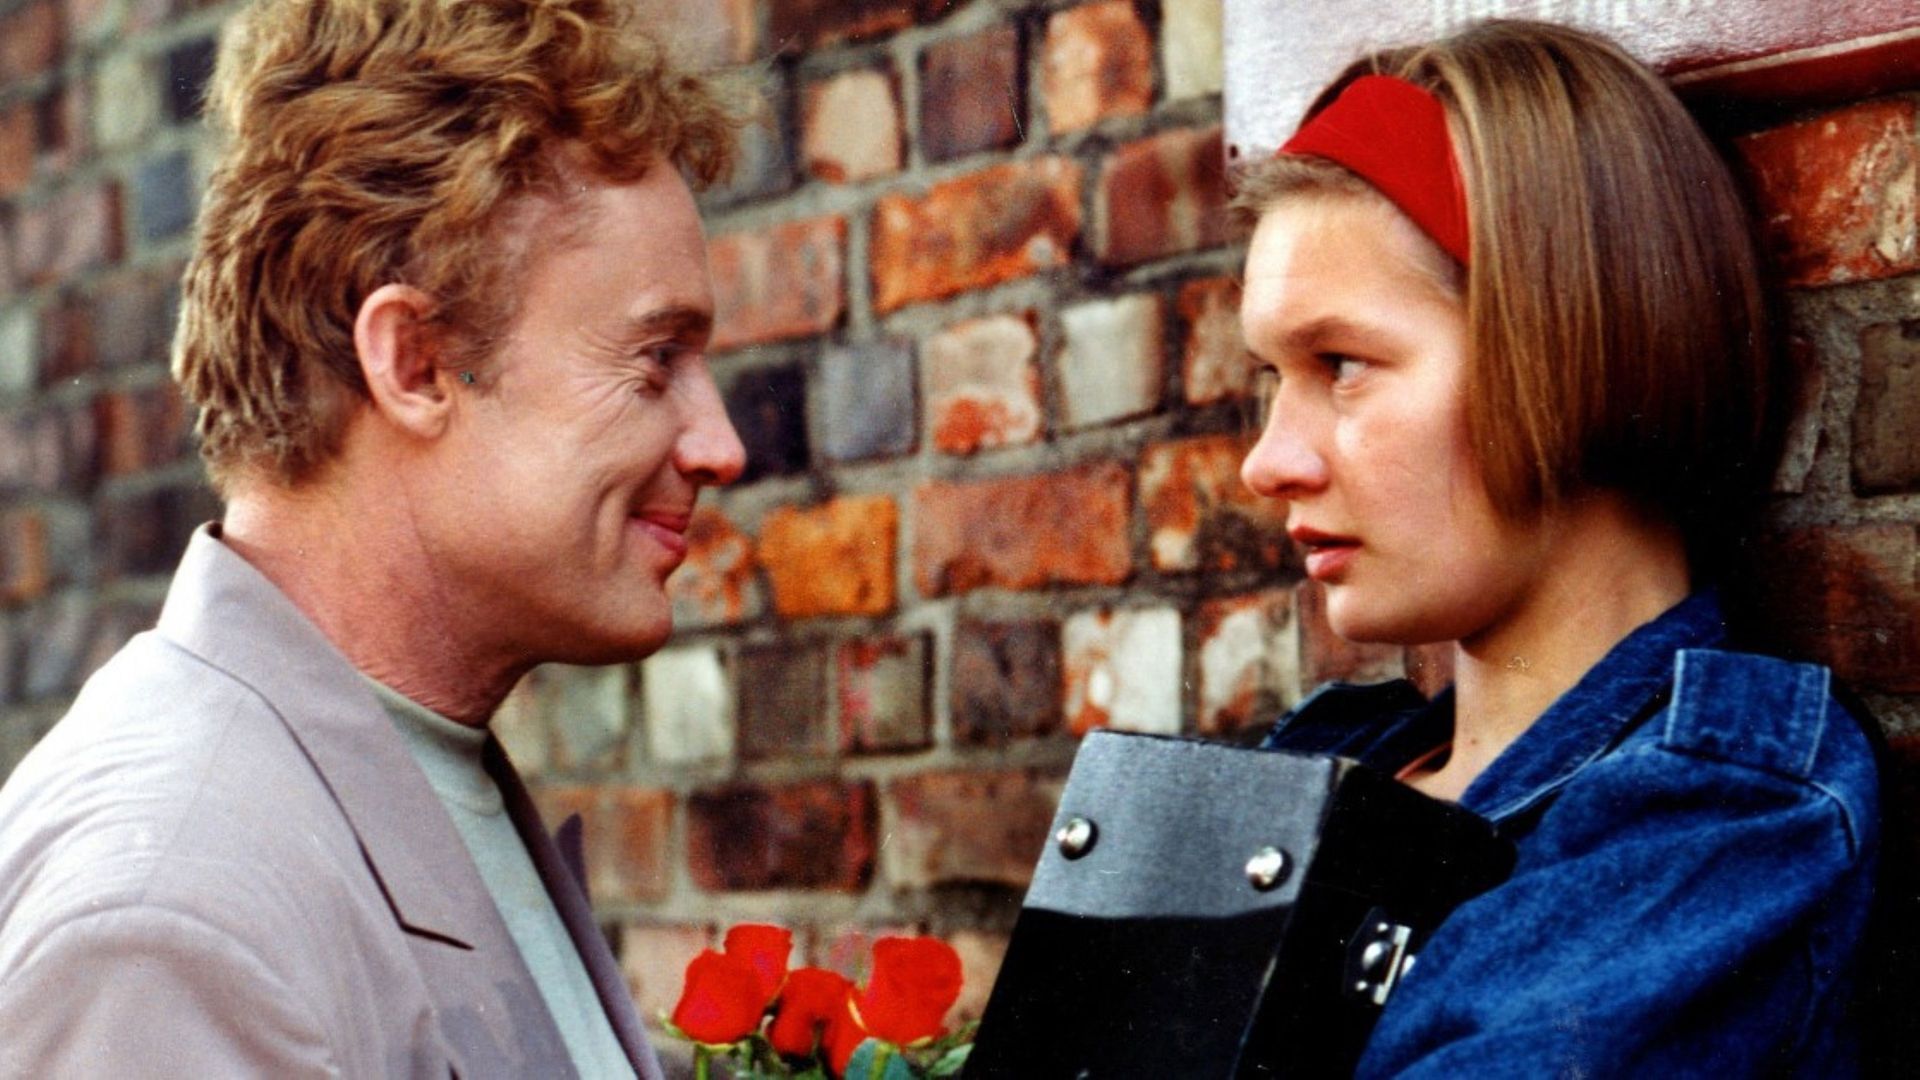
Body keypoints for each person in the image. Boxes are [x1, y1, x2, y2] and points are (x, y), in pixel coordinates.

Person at [0, 0, 747, 1075]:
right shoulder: (172, 921)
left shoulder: (400, 776)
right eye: (655, 360)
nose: (719, 446)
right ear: (416, 364)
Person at [1237, 19, 1879, 1077]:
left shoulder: (1718, 816)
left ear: (1570, 342)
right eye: (1273, 377)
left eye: (1340, 364)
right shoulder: (1331, 762)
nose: (1268, 462)